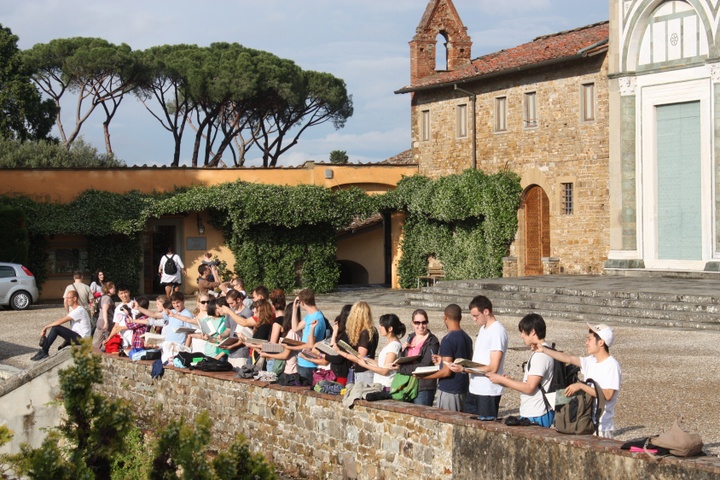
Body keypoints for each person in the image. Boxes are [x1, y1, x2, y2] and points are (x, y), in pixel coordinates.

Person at [532, 323, 621, 438]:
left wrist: (581, 386)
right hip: (584, 422)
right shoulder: (591, 361)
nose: (586, 343)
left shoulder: (612, 365)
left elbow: (608, 395)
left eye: (589, 339)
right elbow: (569, 358)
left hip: (602, 426)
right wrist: (543, 350)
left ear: (601, 342)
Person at [486, 313, 555, 427]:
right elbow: (532, 384)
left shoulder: (540, 355)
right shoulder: (545, 351)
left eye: (523, 331)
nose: (521, 336)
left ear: (532, 331)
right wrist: (510, 381)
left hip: (536, 413)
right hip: (535, 411)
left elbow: (529, 388)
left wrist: (502, 380)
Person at [448, 295, 508, 420]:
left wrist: (464, 369)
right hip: (475, 388)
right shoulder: (483, 329)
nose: (474, 319)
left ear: (486, 311)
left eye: (476, 316)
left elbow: (493, 367)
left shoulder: (497, 331)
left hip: (488, 391)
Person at [420, 304, 473, 412]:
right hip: (463, 387)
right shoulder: (467, 338)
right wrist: (441, 360)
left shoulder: (448, 340)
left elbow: (446, 371)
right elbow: (466, 361)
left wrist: (425, 377)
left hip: (449, 390)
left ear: (445, 317)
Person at [395, 309, 440, 406]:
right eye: (417, 323)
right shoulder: (410, 337)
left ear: (427, 322)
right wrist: (402, 350)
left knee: (422, 417)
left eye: (424, 322)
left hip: (423, 386)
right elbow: (401, 359)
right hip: (407, 383)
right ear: (412, 323)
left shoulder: (432, 341)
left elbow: (425, 365)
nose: (420, 326)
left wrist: (401, 368)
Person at [32, 290, 91, 361]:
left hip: (82, 340)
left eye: (69, 298)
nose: (67, 300)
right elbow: (73, 331)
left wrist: (46, 327)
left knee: (56, 328)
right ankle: (44, 350)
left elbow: (60, 321)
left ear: (75, 299)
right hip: (79, 338)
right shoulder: (75, 311)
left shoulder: (79, 311)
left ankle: (44, 351)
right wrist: (64, 343)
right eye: (66, 298)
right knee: (60, 350)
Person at [354, 313, 405, 390]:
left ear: (390, 328)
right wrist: (369, 360)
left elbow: (385, 371)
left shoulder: (394, 346)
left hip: (386, 386)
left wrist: (365, 365)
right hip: (381, 384)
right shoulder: (390, 343)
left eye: (382, 325)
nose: (379, 327)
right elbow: (383, 364)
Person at [335, 301, 378, 385]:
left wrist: (340, 352)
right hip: (365, 370)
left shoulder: (366, 332)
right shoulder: (371, 330)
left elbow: (360, 357)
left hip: (364, 371)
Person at [289, 289, 326, 384]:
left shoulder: (316, 318)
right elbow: (295, 328)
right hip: (303, 361)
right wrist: (294, 309)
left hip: (308, 364)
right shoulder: (311, 315)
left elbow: (310, 345)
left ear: (302, 302)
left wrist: (291, 347)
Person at [92, 281, 116, 349]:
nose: (115, 289)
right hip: (105, 320)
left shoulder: (103, 297)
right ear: (108, 289)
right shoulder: (107, 298)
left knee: (99, 341)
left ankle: (94, 352)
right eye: (113, 288)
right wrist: (106, 322)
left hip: (100, 320)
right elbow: (105, 310)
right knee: (109, 338)